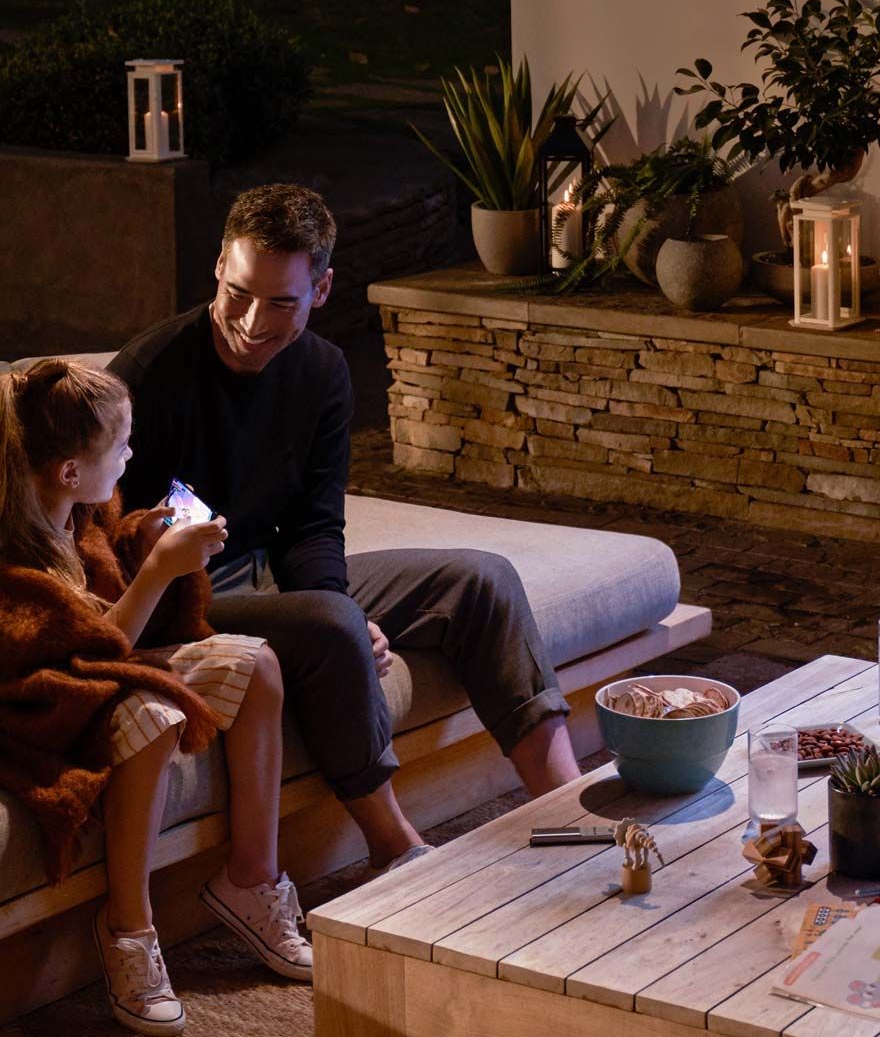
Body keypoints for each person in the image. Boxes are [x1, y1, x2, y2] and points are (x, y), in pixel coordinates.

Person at [109, 183, 579, 877]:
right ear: (218, 265)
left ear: (322, 289)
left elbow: (314, 524)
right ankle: (397, 851)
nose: (249, 321)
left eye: (281, 302)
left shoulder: (323, 375)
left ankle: (569, 814)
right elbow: (116, 543)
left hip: (271, 574)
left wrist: (347, 606)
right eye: (238, 292)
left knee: (482, 580)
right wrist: (339, 618)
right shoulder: (149, 377)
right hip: (176, 600)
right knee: (331, 622)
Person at [0, 360, 311, 1036]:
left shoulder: (77, 514)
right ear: (66, 470)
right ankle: (128, 931)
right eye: (121, 447)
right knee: (153, 717)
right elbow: (75, 654)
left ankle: (251, 880)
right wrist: (159, 569)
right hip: (19, 705)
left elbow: (97, 606)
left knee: (258, 664)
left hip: (89, 678)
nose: (130, 456)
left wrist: (141, 540)